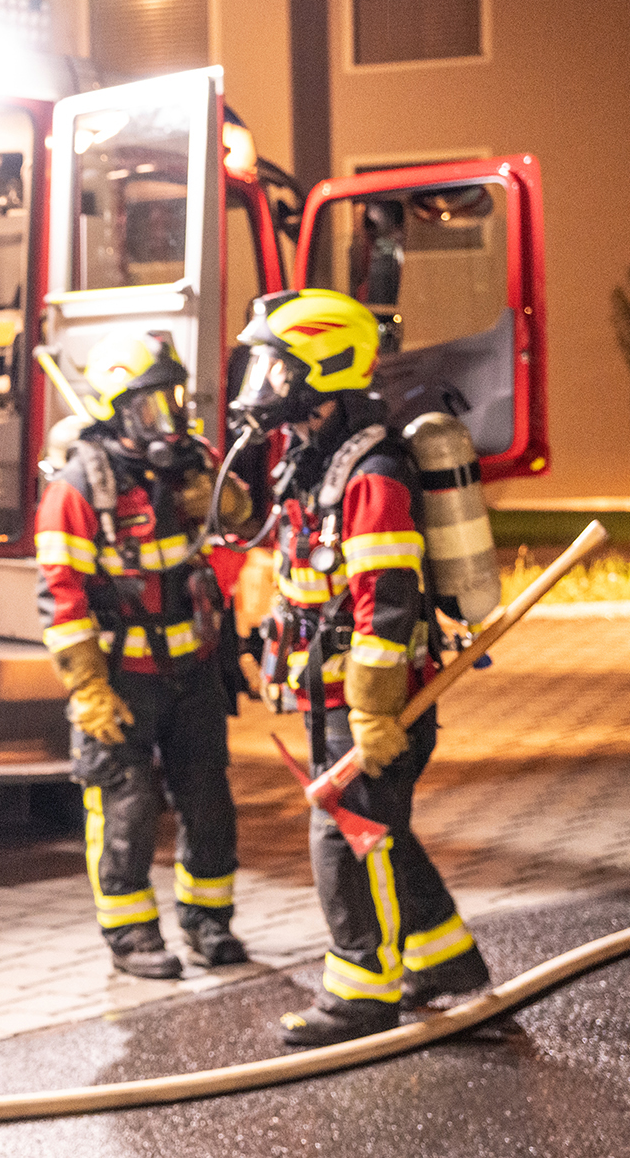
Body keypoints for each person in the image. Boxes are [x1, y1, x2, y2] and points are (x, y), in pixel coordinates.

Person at [233, 288, 491, 1046]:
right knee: (382, 829)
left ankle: (361, 991)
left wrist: (374, 711)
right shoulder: (316, 458)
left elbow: (387, 602)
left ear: (322, 369)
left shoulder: (373, 470)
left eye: (276, 367)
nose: (264, 383)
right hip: (334, 696)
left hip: (373, 704)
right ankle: (445, 962)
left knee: (350, 836)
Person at [37, 331, 252, 980]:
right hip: (121, 680)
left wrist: (224, 501)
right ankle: (131, 936)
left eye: (176, 401)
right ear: (118, 410)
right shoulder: (80, 488)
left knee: (209, 802)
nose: (171, 419)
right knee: (125, 809)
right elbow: (61, 597)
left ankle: (209, 922)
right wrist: (88, 691)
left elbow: (243, 533)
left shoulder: (195, 467)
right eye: (153, 406)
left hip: (194, 672)